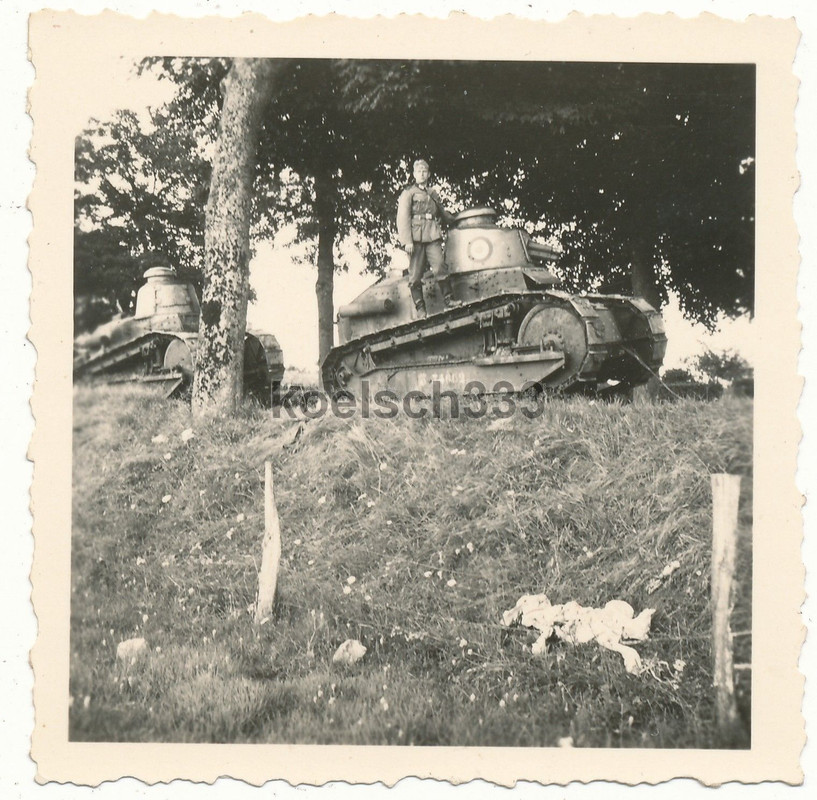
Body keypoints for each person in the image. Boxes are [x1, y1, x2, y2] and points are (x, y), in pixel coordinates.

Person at [396, 159, 459, 317]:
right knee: (416, 275)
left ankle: (449, 300)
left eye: (424, 171)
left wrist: (456, 220)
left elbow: (442, 213)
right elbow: (403, 218)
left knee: (439, 267)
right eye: (419, 171)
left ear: (428, 174)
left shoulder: (432, 193)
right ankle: (420, 309)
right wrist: (407, 241)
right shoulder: (408, 193)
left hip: (432, 234)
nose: (422, 174)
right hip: (416, 239)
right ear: (414, 174)